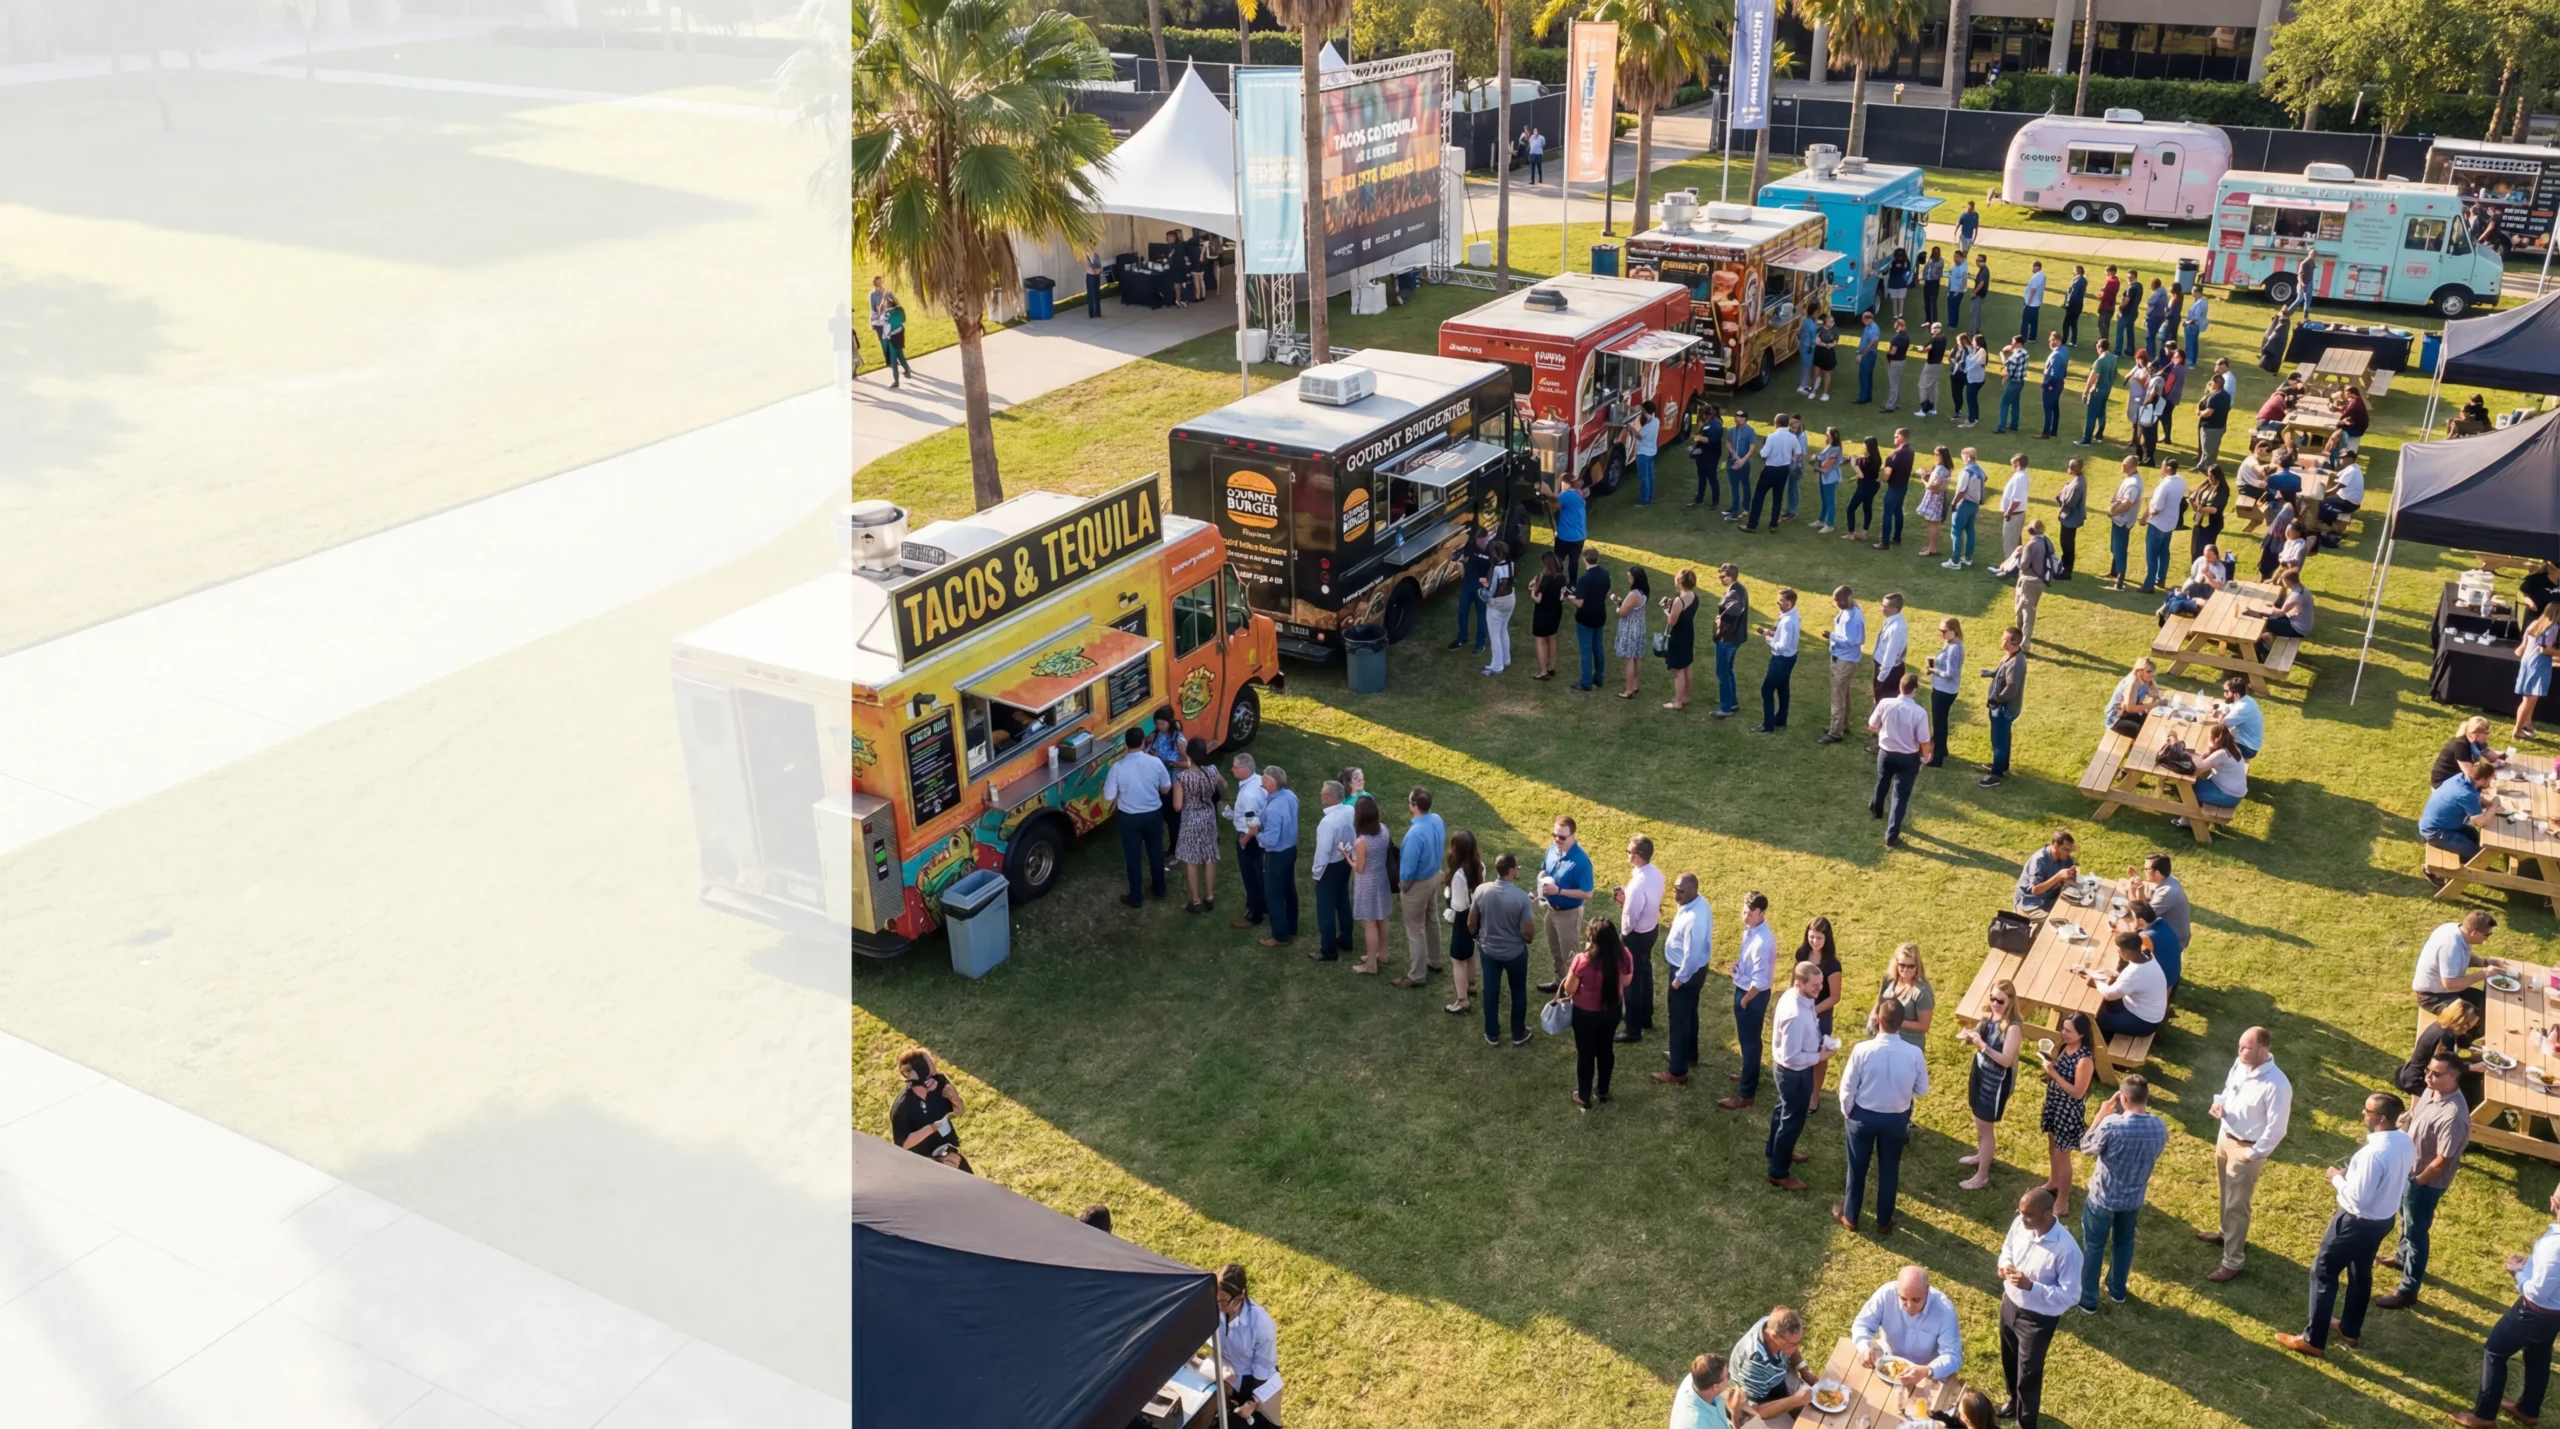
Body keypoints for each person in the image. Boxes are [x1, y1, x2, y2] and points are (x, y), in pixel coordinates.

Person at [2277, 1091, 2415, 1359]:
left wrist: (2336, 1179)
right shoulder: (2404, 1142)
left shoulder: (2373, 1153)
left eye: (2368, 1110)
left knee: (2323, 1273)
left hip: (2355, 1222)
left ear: (2381, 1118)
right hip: (2382, 1219)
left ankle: (2312, 1340)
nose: (2363, 1113)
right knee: (2360, 1274)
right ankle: (2350, 1330)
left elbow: (2357, 1198)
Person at [2455, 1183, 2560, 1429]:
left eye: (2555, 1194)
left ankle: (2483, 1416)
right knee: (2538, 1356)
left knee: (2495, 1351)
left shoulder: (2555, 1245)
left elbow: (2537, 1291)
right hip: (2555, 1314)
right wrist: (2532, 1265)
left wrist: (2517, 1274)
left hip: (2533, 1312)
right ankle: (2528, 1410)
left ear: (2555, 1204)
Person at [2376, 1049, 2472, 1310]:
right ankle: (2400, 1256)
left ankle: (2408, 1291)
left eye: (2435, 1073)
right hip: (2408, 1171)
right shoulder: (2433, 1089)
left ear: (2453, 1079)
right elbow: (2418, 1109)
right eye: (2428, 1070)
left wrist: (2417, 1182)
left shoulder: (2453, 1116)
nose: (2427, 1076)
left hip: (2424, 1183)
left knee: (2416, 1233)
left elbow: (2443, 1160)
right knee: (2405, 1220)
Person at [2199, 1025, 2294, 1284]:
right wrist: (2219, 1103)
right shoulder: (2240, 1065)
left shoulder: (2277, 1085)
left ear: (2263, 1050)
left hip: (2246, 1148)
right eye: (2240, 1046)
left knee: (2237, 1204)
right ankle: (2225, 1233)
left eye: (2246, 1048)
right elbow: (2229, 1090)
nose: (2240, 1051)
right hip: (2225, 1136)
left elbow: (2277, 1128)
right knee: (2225, 1193)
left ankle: (2233, 1262)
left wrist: (2253, 1153)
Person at [2077, 1075, 2169, 1312]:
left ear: (2123, 1098)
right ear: (2146, 1098)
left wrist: (2100, 1116)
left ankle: (2088, 1299)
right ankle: (2117, 1289)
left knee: (2094, 1246)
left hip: (2103, 1198)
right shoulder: (2159, 1126)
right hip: (2133, 1198)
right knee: (2124, 1243)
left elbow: (2086, 1147)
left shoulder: (2112, 1125)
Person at [1836, 996, 1928, 1233]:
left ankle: (1851, 1217)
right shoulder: (1914, 1053)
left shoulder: (1862, 1050)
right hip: (1895, 1119)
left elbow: (1847, 1088)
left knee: (1856, 1168)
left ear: (1877, 1020)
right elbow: (1922, 1089)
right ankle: (1883, 1222)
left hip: (1862, 1117)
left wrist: (1848, 1113)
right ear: (1902, 1022)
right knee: (1889, 1170)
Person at [1996, 1186, 2082, 1429]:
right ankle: (2014, 1402)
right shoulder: (2019, 1225)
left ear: (2047, 1213)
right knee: (2009, 1360)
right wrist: (2004, 1265)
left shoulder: (2067, 1250)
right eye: (2020, 1212)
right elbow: (2007, 1249)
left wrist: (2031, 1286)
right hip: (2010, 1304)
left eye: (2028, 1215)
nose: (2021, 1218)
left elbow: (2071, 1295)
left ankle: (2026, 1423)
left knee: (2029, 1374)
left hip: (2037, 1319)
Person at [1764, 960, 1830, 1189]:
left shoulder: (1802, 998)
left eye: (1820, 984)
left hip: (1791, 1071)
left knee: (1782, 1111)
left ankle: (1776, 1150)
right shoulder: (1795, 1014)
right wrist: (1819, 1057)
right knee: (1792, 1122)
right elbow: (1792, 1056)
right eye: (1815, 985)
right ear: (1799, 984)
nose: (1820, 989)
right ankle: (1778, 1172)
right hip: (1793, 1073)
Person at [1561, 917, 1634, 1110]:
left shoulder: (1583, 960)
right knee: (1605, 1049)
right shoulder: (1624, 955)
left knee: (1585, 1055)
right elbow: (1626, 982)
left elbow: (1569, 989)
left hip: (1585, 1014)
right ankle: (1603, 1091)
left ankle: (1583, 1096)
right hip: (1612, 1010)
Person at [1958, 978, 2024, 1191]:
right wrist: (1969, 1037)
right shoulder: (1989, 1015)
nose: (1995, 1003)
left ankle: (1982, 1177)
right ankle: (1981, 1155)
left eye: (2000, 1001)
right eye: (1993, 998)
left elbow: (2006, 1060)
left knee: (1985, 1128)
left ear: (2011, 1001)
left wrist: (1982, 1045)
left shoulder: (2013, 1028)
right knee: (1979, 1122)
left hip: (1995, 1084)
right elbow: (1977, 1040)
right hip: (1980, 1074)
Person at [1852, 1266, 1963, 1386]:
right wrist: (1864, 1347)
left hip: (1925, 1374)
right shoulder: (1885, 1295)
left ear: (1927, 1290)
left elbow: (1953, 1356)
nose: (1909, 1305)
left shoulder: (1944, 1310)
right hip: (1887, 1363)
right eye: (1903, 1299)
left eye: (1916, 1300)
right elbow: (1861, 1324)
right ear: (1897, 1289)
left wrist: (1927, 1370)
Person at [1720, 891, 1778, 1112]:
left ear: (1762, 913)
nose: (1745, 917)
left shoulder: (1763, 941)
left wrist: (1744, 1000)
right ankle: (1749, 1075)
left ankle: (1746, 1094)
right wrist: (1739, 966)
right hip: (1745, 988)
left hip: (1751, 996)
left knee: (1750, 1042)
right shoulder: (1752, 930)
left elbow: (1761, 979)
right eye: (1744, 911)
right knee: (1748, 1041)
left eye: (1750, 914)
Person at [1104, 727, 1173, 908]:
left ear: (1126, 745)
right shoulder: (1155, 763)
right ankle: (1159, 889)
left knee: (1133, 857)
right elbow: (1166, 787)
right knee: (1156, 852)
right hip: (1153, 814)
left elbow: (1109, 797)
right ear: (1144, 742)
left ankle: (1136, 896)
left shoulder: (1117, 768)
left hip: (1129, 818)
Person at [1655, 873, 1713, 1084]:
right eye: (1674, 888)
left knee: (1678, 1019)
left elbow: (1693, 954)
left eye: (1680, 891)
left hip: (1686, 972)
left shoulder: (1694, 919)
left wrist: (1680, 978)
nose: (1675, 894)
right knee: (1689, 1013)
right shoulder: (1697, 904)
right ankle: (1688, 1054)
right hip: (1694, 971)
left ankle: (1677, 1071)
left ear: (1692, 890)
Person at [1473, 852, 1536, 1046]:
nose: (1518, 870)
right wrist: (1525, 940)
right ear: (1511, 871)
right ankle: (1518, 1033)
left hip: (1489, 951)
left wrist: (1477, 937)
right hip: (1514, 953)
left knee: (1490, 990)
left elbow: (1470, 921)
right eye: (1517, 868)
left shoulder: (1481, 890)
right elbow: (1529, 930)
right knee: (1518, 990)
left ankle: (1492, 1033)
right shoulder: (1521, 897)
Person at [1388, 788, 1448, 990]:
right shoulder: (1437, 820)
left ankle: (1417, 974)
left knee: (1415, 929)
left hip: (1418, 884)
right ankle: (1435, 960)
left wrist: (1403, 887)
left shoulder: (1414, 834)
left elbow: (1408, 870)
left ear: (1414, 805)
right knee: (1432, 919)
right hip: (1434, 877)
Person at [2038, 1011, 2095, 1216]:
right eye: (2063, 1028)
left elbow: (2078, 1092)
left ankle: (2062, 1201)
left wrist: (2053, 1074)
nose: (2064, 1033)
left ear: (2081, 1034)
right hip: (2055, 1104)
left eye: (2069, 1030)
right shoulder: (2066, 1048)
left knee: (2063, 1154)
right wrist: (2051, 1066)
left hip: (2068, 1110)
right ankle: (2054, 1181)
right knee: (2052, 1144)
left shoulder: (2084, 1060)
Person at [1214, 1263, 1284, 1426]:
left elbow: (1264, 1366)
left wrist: (1253, 1401)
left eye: (1224, 1302)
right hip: (1227, 1371)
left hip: (1253, 1381)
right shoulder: (1217, 1307)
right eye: (1216, 1300)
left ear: (1241, 1294)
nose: (1218, 1305)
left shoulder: (1260, 1324)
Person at [1868, 672, 1931, 848]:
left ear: (1900, 687)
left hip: (1886, 753)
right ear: (1915, 690)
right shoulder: (1919, 713)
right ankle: (1892, 835)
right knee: (1900, 796)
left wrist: (1884, 733)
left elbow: (1872, 725)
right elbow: (1923, 740)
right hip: (1908, 758)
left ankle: (1876, 809)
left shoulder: (1885, 703)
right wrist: (1926, 756)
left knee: (1882, 781)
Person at [1612, 835, 1664, 1043]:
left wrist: (1624, 936)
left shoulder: (1636, 885)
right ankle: (1645, 1016)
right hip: (1651, 930)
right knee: (1644, 974)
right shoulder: (1655, 874)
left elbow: (1629, 918)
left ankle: (1633, 1029)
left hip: (1636, 936)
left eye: (1629, 852)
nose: (1627, 854)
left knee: (1631, 981)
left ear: (1638, 856)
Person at [1536, 815, 1595, 994]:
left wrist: (1559, 891)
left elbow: (1588, 893)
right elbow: (1545, 868)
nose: (1557, 840)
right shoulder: (1552, 850)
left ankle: (1573, 992)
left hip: (1569, 914)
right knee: (1555, 950)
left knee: (1570, 956)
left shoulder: (1581, 861)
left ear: (1573, 836)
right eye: (1554, 835)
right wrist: (1541, 878)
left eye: (1562, 837)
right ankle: (1558, 982)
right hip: (1552, 910)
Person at [890, 1046, 971, 1172]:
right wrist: (931, 1128)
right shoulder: (902, 1108)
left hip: (951, 1155)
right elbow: (903, 1145)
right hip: (925, 1167)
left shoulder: (940, 1083)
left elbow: (959, 1111)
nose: (936, 1079)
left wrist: (954, 1097)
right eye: (930, 1076)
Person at [2414, 910, 2505, 1018]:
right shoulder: (2450, 946)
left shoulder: (2458, 931)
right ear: (2474, 933)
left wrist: (2485, 962)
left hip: (2445, 989)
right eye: (2487, 935)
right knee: (2475, 1018)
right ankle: (2457, 1035)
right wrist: (2484, 974)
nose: (2487, 938)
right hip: (2432, 996)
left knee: (2488, 1004)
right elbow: (2450, 984)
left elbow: (2460, 958)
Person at [1730, 1306, 1814, 1421]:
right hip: (1759, 1394)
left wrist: (1804, 1371)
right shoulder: (1754, 1363)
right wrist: (1794, 1400)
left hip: (1778, 1373)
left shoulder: (1773, 1324)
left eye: (1798, 1342)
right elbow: (1759, 1410)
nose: (1796, 1348)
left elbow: (1793, 1345)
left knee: (1813, 1406)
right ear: (1774, 1336)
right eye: (1791, 1345)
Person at [1305, 780, 1356, 962]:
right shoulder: (1350, 811)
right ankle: (1346, 939)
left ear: (1330, 797)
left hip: (1330, 867)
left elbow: (1322, 854)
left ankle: (1328, 949)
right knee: (1342, 901)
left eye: (1323, 794)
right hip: (1345, 862)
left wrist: (1316, 874)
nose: (1320, 796)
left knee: (1325, 909)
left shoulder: (1327, 823)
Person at [1801, 917, 1848, 1111]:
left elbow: (1835, 996)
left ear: (1826, 939)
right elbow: (1793, 980)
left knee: (1819, 1054)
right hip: (1801, 1010)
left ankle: (1814, 1096)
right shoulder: (1802, 954)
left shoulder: (1832, 965)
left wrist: (1813, 1010)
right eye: (1811, 937)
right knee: (1800, 1049)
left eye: (1819, 938)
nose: (1814, 941)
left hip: (1820, 1015)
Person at [1173, 738, 1224, 913]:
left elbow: (1177, 806)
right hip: (1208, 816)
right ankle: (1210, 896)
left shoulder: (1182, 777)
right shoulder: (1212, 770)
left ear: (1189, 755)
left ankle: (1195, 901)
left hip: (1191, 820)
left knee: (1191, 859)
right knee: (1209, 857)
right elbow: (1223, 784)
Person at [1251, 765, 1300, 947]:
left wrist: (1256, 833)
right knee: (1289, 889)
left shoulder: (1273, 810)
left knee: (1274, 894)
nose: (1261, 780)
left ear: (1272, 783)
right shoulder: (1290, 796)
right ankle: (1291, 926)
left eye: (1264, 779)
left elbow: (1270, 840)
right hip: (1290, 849)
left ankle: (1279, 936)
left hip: (1276, 854)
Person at [2087, 933, 2168, 1040]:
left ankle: (2104, 1045)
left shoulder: (2135, 972)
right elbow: (2135, 981)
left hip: (2144, 1022)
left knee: (2092, 1019)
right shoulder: (2147, 956)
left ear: (2125, 952)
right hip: (2145, 1009)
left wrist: (2097, 979)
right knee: (2103, 1007)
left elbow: (2109, 994)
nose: (2118, 953)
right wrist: (2114, 975)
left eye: (2119, 950)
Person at [1439, 829, 1482, 1016]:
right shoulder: (1479, 866)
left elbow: (1457, 904)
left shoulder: (1458, 875)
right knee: (1470, 952)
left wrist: (1447, 895)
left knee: (1457, 959)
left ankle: (1462, 999)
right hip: (1477, 914)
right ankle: (1471, 984)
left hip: (1463, 917)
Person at [2423, 755, 2494, 863]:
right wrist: (2494, 805)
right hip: (2436, 832)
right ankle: (2437, 872)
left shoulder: (2460, 778)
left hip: (2441, 823)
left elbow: (2476, 796)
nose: (2491, 782)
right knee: (2479, 857)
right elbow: (2482, 822)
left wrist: (2488, 803)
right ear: (2482, 780)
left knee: (2473, 835)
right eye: (2491, 779)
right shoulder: (2466, 795)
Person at [1226, 753, 1268, 931]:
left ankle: (1254, 914)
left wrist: (1244, 840)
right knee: (1259, 872)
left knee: (1250, 876)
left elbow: (1253, 822)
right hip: (1259, 836)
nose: (1231, 769)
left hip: (1249, 838)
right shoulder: (1259, 781)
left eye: (1235, 767)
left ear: (1245, 769)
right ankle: (1265, 905)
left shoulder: (1249, 794)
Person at [1979, 626, 2025, 788]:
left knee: (1999, 740)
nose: (2002, 641)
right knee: (2002, 737)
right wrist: (1991, 673)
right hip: (2000, 706)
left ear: (2014, 642)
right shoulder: (2009, 656)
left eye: (2005, 639)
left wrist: (1996, 699)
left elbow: (2011, 687)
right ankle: (2001, 765)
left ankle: (1996, 775)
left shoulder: (2016, 663)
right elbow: (2002, 674)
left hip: (2004, 709)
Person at [1820, 585, 1866, 746]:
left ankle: (1835, 733)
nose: (1837, 604)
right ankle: (1842, 724)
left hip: (1845, 661)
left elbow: (1852, 641)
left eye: (1839, 600)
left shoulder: (1853, 618)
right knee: (1843, 693)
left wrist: (1831, 636)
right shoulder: (1849, 611)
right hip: (1841, 658)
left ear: (1848, 598)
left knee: (1837, 697)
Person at [1743, 411, 1802, 533]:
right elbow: (1798, 452)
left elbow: (1764, 454)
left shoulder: (1772, 437)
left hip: (1770, 469)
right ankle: (1773, 524)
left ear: (1776, 423)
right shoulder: (1792, 437)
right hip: (1784, 469)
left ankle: (1752, 525)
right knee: (1778, 497)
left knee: (1759, 496)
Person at [1754, 586, 1802, 735]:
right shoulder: (1793, 614)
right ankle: (1781, 719)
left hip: (1781, 659)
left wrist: (1769, 639)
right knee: (1782, 688)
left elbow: (1783, 645)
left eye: (1780, 601)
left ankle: (1768, 725)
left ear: (1789, 603)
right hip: (1791, 657)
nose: (1777, 603)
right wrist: (1774, 633)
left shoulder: (1788, 621)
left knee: (1766, 690)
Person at [1567, 548, 1612, 691]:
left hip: (1585, 618)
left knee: (1586, 651)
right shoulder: (1605, 574)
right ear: (1597, 559)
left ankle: (1586, 682)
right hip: (1600, 615)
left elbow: (1579, 602)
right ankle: (1599, 677)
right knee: (1598, 647)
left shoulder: (1585, 579)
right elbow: (1606, 594)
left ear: (1584, 559)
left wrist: (1568, 597)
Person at [2141, 458, 2187, 594]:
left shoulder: (2164, 486)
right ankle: (2161, 578)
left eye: (2162, 465)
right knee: (2164, 552)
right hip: (2171, 522)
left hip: (2158, 523)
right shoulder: (2181, 481)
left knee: (2152, 554)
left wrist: (2145, 517)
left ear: (2167, 468)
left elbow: (2157, 508)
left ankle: (2148, 585)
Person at [1659, 567, 1700, 711]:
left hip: (1678, 637)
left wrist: (1665, 610)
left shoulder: (1679, 600)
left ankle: (1677, 702)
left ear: (1679, 582)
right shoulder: (1694, 597)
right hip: (1688, 634)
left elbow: (1671, 622)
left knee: (1677, 670)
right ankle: (1685, 696)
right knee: (1687, 665)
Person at [1925, 618, 1963, 768]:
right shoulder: (1951, 643)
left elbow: (1950, 673)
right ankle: (1943, 750)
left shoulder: (1954, 648)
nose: (1941, 634)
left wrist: (1933, 670)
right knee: (1941, 722)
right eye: (1940, 631)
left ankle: (1937, 758)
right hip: (1945, 689)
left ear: (1955, 630)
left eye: (1944, 631)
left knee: (1939, 724)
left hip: (1944, 690)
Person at [1712, 563, 1749, 717]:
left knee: (1722, 672)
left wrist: (1721, 621)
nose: (1720, 578)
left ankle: (1725, 708)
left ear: (1731, 577)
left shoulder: (1734, 592)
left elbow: (1734, 610)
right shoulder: (1740, 588)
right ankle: (1732, 702)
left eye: (1723, 576)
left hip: (1728, 638)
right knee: (1728, 671)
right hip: (1737, 637)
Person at [1669, 1352, 1741, 1429]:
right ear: (1715, 1386)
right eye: (1728, 1376)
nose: (1729, 1379)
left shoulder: (1697, 1378)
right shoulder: (1696, 1424)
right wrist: (1735, 1413)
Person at [2015, 828, 2078, 915]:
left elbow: (2070, 880)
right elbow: (2035, 890)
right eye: (2065, 849)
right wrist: (2058, 877)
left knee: (2072, 911)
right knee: (2053, 920)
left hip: (2049, 898)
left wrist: (2071, 876)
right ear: (2055, 846)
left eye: (2070, 849)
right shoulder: (2039, 860)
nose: (2068, 853)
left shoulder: (2066, 858)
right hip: (2029, 902)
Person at [1450, 527, 1492, 655]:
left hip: (1481, 586)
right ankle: (1462, 638)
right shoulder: (1472, 545)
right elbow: (1465, 557)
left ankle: (1480, 644)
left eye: (1481, 541)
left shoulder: (1492, 550)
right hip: (1468, 584)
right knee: (1463, 611)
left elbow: (1494, 570)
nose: (1479, 543)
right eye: (1477, 541)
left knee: (1481, 615)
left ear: (1486, 538)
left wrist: (1487, 584)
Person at [1613, 565, 1653, 699]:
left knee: (1628, 659)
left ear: (1635, 578)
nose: (1628, 579)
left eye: (1629, 577)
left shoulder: (1633, 594)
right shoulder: (1643, 592)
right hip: (1639, 627)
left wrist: (1618, 606)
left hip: (1630, 629)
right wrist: (1622, 602)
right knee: (1637, 657)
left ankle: (1628, 690)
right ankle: (1635, 685)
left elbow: (1622, 612)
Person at [1869, 592, 1909, 719]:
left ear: (1894, 609)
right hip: (1883, 668)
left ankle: (1882, 732)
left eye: (1884, 606)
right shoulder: (1891, 621)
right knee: (1879, 700)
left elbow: (1890, 655)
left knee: (1885, 702)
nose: (1881, 608)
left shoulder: (1897, 628)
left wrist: (1881, 678)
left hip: (1889, 672)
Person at [2103, 453, 2141, 589]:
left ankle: (2120, 580)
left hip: (2123, 521)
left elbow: (2128, 504)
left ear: (2130, 466)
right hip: (2119, 519)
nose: (2122, 466)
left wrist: (2114, 512)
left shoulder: (2134, 484)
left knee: (2120, 549)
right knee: (2115, 547)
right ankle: (2114, 571)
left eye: (2124, 465)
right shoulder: (2130, 478)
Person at [2434, 716, 2503, 788]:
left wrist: (2497, 761)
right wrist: (2489, 775)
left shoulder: (2476, 741)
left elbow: (2489, 754)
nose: (2488, 735)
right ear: (2477, 732)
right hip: (2444, 783)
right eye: (2486, 732)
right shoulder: (2461, 746)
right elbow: (2471, 775)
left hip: (2458, 778)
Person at [2520, 604, 2557, 741]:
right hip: (2538, 664)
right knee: (2530, 699)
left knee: (2530, 698)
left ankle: (2527, 724)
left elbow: (2527, 637)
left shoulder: (2535, 623)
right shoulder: (2553, 627)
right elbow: (2544, 650)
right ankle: (2518, 729)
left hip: (2528, 661)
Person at [1483, 539, 1517, 676]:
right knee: (1503, 629)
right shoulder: (1512, 565)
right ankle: (1506, 659)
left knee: (1495, 634)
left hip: (1497, 604)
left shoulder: (1496, 568)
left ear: (1497, 553)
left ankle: (1497, 666)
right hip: (1510, 600)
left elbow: (1491, 591)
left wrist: (1482, 593)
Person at [1949, 448, 1987, 570]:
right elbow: (1985, 478)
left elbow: (1961, 490)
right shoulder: (1979, 469)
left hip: (1964, 503)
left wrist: (1954, 503)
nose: (1962, 458)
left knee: (1956, 531)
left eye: (1963, 456)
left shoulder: (1966, 471)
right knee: (1970, 530)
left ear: (1968, 456)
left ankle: (1955, 561)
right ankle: (1968, 558)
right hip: (1975, 504)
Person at [1530, 552, 1566, 681]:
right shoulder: (1561, 578)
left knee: (1540, 640)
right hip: (1556, 611)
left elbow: (1538, 599)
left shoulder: (1543, 579)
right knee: (1552, 638)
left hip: (1543, 612)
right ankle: (1552, 666)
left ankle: (1543, 671)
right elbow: (1562, 596)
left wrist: (1533, 592)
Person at [2103, 656, 2159, 738]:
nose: (2151, 674)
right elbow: (2130, 708)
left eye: (2153, 672)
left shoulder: (2145, 678)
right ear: (2139, 670)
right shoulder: (2132, 684)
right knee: (2143, 734)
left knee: (2152, 724)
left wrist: (2153, 694)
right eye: (2149, 671)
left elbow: (2155, 693)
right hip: (2117, 718)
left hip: (2129, 714)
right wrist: (2150, 705)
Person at [2077, 339, 2118, 447]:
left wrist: (2086, 391)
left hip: (2098, 390)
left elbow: (2093, 377)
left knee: (2091, 414)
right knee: (2101, 411)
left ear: (2099, 347)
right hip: (2107, 389)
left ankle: (2086, 439)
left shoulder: (2100, 361)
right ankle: (2099, 435)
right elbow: (2114, 374)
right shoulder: (2113, 358)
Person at [1722, 409, 1760, 523]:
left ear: (1744, 419)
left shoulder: (1749, 431)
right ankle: (1735, 508)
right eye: (1736, 416)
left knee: (1745, 484)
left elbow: (1752, 446)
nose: (1737, 418)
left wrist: (1743, 459)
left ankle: (1744, 508)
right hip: (1732, 461)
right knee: (1734, 486)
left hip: (1744, 463)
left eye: (1740, 416)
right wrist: (1734, 454)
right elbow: (1728, 442)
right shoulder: (1732, 430)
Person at [1844, 436, 1882, 541]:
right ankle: (1864, 531)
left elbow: (1861, 475)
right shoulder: (1877, 458)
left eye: (1864, 444)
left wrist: (1853, 464)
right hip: (1873, 486)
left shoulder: (1866, 461)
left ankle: (1850, 533)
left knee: (1851, 508)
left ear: (1867, 446)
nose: (1863, 446)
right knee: (1867, 507)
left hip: (1864, 486)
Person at [2187, 463, 2227, 562]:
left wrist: (2200, 508)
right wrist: (2192, 501)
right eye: (2208, 475)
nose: (2208, 478)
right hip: (2199, 521)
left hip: (2212, 525)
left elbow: (2214, 509)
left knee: (2205, 550)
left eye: (2211, 476)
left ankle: (2205, 571)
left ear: (2216, 476)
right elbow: (2195, 494)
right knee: (2195, 550)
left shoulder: (2223, 490)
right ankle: (2195, 570)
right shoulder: (2206, 484)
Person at [1916, 447, 1951, 558]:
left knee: (1933, 524)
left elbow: (1932, 486)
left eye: (1937, 454)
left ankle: (1932, 549)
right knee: (1934, 524)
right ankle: (1931, 546)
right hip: (1939, 498)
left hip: (1934, 499)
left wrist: (1923, 479)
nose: (1935, 456)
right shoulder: (1946, 468)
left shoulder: (1940, 469)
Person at [1690, 401, 1726, 509]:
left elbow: (1712, 439)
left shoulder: (1716, 425)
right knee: (1701, 477)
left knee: (1711, 477)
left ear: (1708, 415)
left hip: (1711, 454)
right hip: (1702, 453)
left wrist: (1699, 438)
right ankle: (1699, 498)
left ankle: (1715, 501)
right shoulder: (1707, 423)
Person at [2196, 372, 2232, 472]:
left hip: (2211, 427)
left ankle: (2207, 468)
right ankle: (2201, 465)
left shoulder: (2215, 396)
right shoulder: (2226, 395)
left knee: (2208, 450)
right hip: (2220, 426)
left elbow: (2209, 412)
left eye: (2211, 382)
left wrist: (2199, 413)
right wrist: (2208, 391)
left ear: (2215, 383)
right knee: (2210, 449)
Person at [1813, 425, 1847, 533]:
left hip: (1830, 478)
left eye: (1827, 433)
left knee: (1830, 501)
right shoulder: (1829, 445)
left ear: (1832, 436)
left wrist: (1816, 466)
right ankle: (1821, 520)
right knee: (1824, 500)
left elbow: (1826, 467)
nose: (1825, 435)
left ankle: (1830, 525)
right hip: (1823, 476)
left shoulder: (1836, 450)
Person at [880, 295, 912, 387]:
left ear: (888, 303)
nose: (884, 303)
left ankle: (896, 381)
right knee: (900, 354)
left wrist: (885, 336)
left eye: (885, 301)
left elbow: (886, 326)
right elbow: (903, 320)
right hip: (901, 333)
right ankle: (907, 369)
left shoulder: (888, 313)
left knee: (893, 360)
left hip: (893, 336)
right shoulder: (900, 309)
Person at [1634, 400, 1662, 505]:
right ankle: (1651, 496)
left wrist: (1630, 429)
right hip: (1651, 452)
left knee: (1643, 477)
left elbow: (1639, 437)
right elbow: (1648, 415)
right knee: (1650, 475)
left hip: (1643, 454)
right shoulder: (1656, 421)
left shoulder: (1647, 427)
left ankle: (1644, 500)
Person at [1918, 326, 1946, 421]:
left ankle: (1924, 409)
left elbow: (1927, 349)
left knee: (1922, 386)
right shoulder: (1943, 338)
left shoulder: (1934, 340)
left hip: (1930, 365)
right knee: (1934, 386)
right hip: (1938, 364)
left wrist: (1920, 349)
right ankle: (1934, 408)